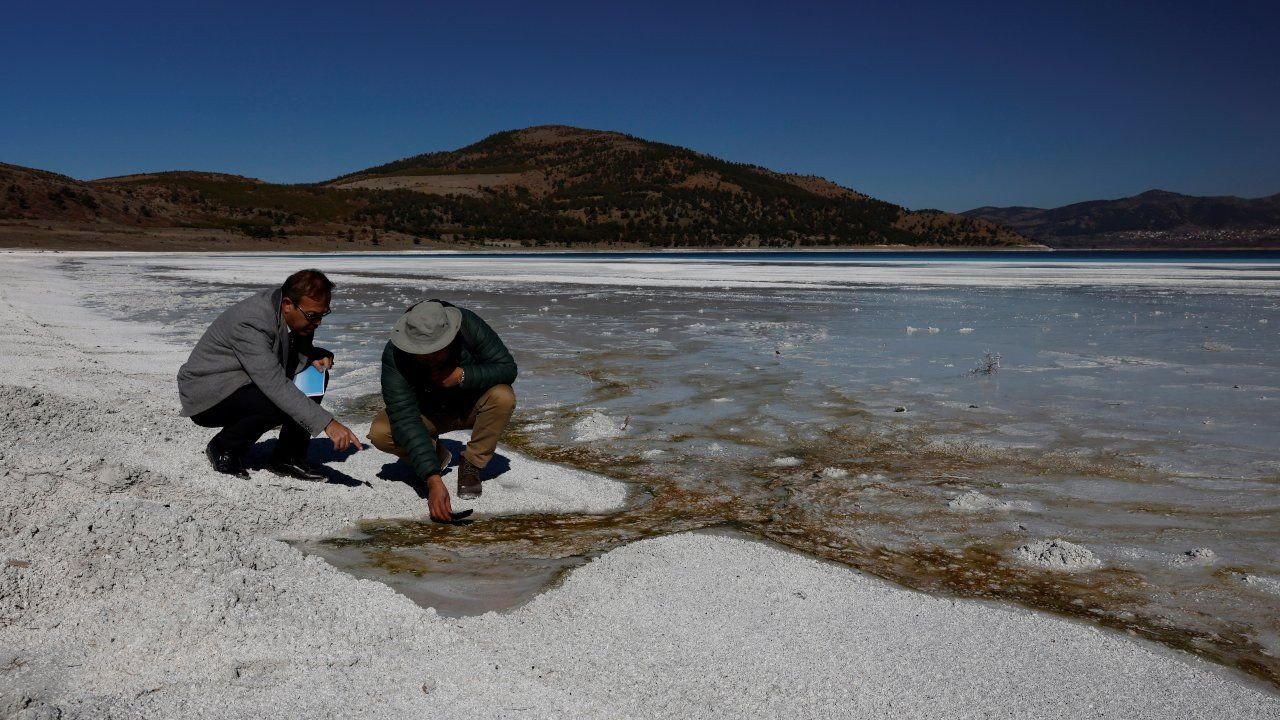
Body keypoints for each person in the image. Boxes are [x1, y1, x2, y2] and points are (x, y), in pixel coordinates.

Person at [177, 269, 362, 480]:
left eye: (323, 314)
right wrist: (328, 423)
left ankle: (287, 457)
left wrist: (313, 356)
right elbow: (274, 384)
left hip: (244, 380)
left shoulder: (297, 311)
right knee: (275, 400)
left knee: (315, 375)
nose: (318, 322)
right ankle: (224, 447)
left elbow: (291, 352)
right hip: (208, 392)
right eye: (313, 316)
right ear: (288, 305)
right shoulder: (252, 322)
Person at [367, 300, 517, 521]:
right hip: (429, 412)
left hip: (472, 406)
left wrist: (462, 376)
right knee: (382, 432)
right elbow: (404, 415)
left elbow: (506, 368)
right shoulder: (395, 353)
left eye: (434, 351)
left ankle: (472, 463)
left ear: (451, 337)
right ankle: (436, 456)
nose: (427, 358)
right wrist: (433, 479)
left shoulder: (469, 327)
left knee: (503, 396)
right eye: (420, 352)